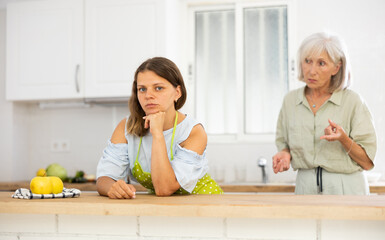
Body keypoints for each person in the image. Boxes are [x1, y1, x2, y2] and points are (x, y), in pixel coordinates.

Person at [96, 57, 223, 198]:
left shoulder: (193, 131)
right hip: (162, 208)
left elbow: (164, 188)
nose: (148, 95)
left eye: (158, 88)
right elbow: (104, 178)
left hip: (203, 204)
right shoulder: (127, 127)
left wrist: (157, 133)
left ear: (177, 93)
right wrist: (112, 188)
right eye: (142, 89)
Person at [272, 32, 377, 195]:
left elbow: (367, 163)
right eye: (307, 61)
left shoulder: (353, 101)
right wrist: (285, 154)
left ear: (337, 67)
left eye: (321, 63)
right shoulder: (290, 101)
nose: (311, 71)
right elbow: (283, 142)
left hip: (346, 189)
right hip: (305, 188)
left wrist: (343, 139)